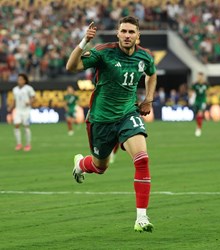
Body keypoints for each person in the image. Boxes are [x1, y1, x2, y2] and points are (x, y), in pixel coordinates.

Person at [66, 16, 157, 233]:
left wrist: (148, 99)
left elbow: (151, 75)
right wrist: (83, 42)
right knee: (100, 167)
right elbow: (72, 67)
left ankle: (141, 218)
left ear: (138, 36)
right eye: (123, 31)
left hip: (128, 114)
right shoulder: (103, 51)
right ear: (118, 34)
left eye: (131, 32)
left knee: (142, 159)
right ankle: (81, 165)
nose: (127, 36)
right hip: (101, 119)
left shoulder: (145, 56)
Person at [7, 73, 35, 151]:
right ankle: (19, 144)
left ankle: (28, 144)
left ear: (24, 81)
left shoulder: (28, 88)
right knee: (16, 125)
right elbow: (14, 100)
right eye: (18, 79)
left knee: (26, 126)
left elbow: (33, 97)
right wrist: (10, 107)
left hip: (26, 110)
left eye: (21, 79)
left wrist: (29, 102)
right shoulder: (15, 89)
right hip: (18, 110)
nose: (19, 81)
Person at [191, 72, 209, 137]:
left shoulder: (206, 84)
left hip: (203, 101)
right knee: (197, 116)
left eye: (200, 76)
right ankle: (198, 126)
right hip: (196, 101)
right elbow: (191, 91)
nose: (199, 77)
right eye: (198, 76)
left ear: (202, 77)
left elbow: (207, 92)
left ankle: (199, 128)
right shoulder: (195, 84)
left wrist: (207, 100)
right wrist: (191, 98)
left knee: (200, 114)